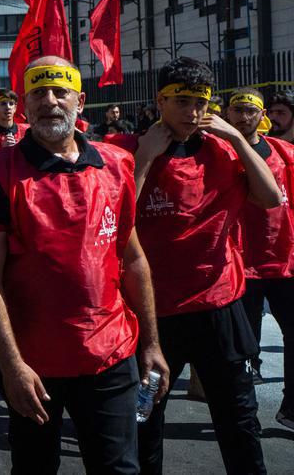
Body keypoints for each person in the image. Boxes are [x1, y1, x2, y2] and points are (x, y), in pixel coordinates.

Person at [0, 57, 168, 474]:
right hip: (34, 363)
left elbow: (132, 257)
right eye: (38, 93)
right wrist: (11, 366)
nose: (50, 101)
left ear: (80, 100)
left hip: (111, 355)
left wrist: (151, 343)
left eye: (60, 91)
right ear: (25, 106)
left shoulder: (117, 163)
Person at [108, 57, 280, 474]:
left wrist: (237, 139)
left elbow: (270, 198)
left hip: (218, 306)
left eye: (200, 103)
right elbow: (113, 220)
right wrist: (145, 157)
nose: (192, 112)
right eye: (181, 101)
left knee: (239, 420)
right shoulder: (124, 148)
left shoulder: (224, 149)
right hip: (154, 313)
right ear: (160, 101)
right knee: (145, 422)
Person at [224, 88, 294, 429]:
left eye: (250, 110)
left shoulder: (283, 153)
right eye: (237, 110)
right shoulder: (221, 153)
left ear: (261, 115)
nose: (243, 116)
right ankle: (244, 415)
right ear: (227, 113)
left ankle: (291, 408)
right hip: (241, 266)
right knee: (245, 347)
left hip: (283, 262)